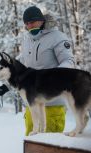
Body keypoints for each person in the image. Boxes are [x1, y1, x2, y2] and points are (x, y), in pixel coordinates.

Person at [17, 6, 76, 135]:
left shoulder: (57, 37)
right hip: (31, 105)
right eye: (26, 23)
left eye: (32, 21)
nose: (29, 26)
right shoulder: (27, 40)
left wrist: (52, 78)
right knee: (31, 144)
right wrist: (8, 83)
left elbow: (69, 61)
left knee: (49, 146)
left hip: (52, 103)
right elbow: (23, 68)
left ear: (41, 20)